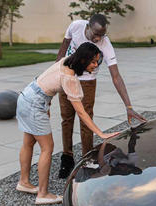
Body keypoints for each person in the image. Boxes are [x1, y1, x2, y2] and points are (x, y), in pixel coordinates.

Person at [16, 42, 119, 205]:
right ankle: (42, 194)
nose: (96, 65)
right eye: (93, 62)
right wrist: (101, 133)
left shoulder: (66, 60)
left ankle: (24, 182)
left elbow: (46, 82)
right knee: (47, 148)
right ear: (84, 60)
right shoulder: (70, 78)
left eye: (97, 61)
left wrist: (46, 105)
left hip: (26, 96)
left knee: (28, 143)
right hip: (35, 105)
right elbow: (81, 112)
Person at [55, 13, 146, 179]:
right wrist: (57, 71)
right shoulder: (75, 26)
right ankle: (67, 158)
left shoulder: (105, 43)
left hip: (87, 81)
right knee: (66, 118)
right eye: (95, 34)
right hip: (67, 77)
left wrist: (129, 106)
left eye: (102, 35)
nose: (98, 38)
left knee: (86, 120)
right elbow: (63, 48)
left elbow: (116, 77)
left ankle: (87, 159)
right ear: (88, 27)